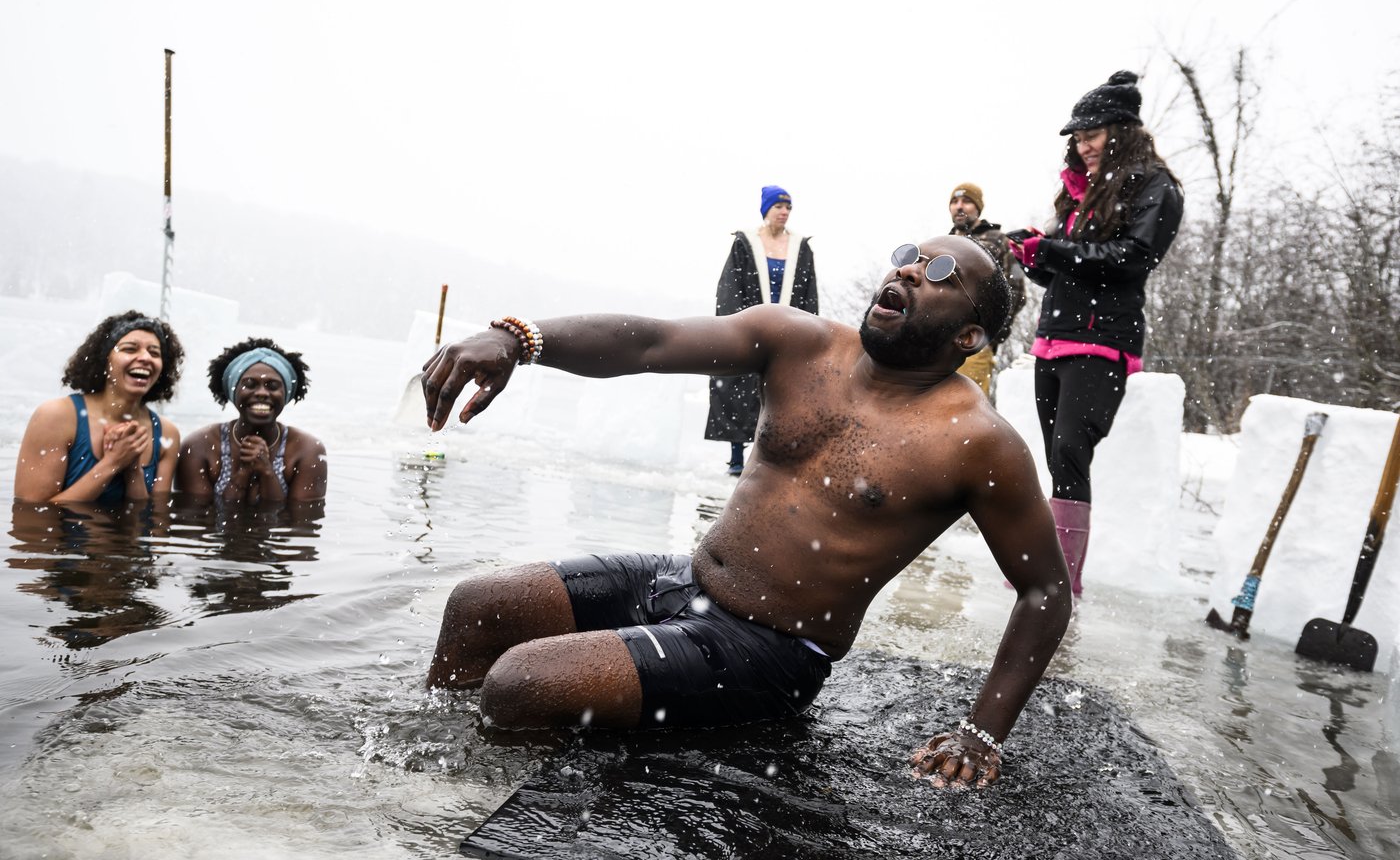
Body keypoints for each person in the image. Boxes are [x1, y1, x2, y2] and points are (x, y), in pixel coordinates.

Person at [421, 235, 1073, 788]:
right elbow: (649, 342)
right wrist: (518, 338)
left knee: (521, 682)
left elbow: (1045, 589)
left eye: (937, 274)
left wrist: (981, 732)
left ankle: (502, 816)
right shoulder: (801, 342)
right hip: (682, 581)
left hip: (769, 649)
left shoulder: (976, 440)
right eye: (908, 254)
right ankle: (425, 775)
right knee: (479, 605)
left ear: (969, 333)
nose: (906, 268)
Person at [1007, 71, 1184, 599]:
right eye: (1077, 137)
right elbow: (1066, 269)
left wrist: (1054, 251)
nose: (1082, 145)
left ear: (1123, 131)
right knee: (1055, 460)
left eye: (1093, 134)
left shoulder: (1158, 187)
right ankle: (1052, 577)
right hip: (1053, 339)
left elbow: (1132, 259)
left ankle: (1063, 585)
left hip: (1104, 342)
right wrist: (1035, 253)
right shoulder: (1080, 194)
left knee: (1069, 454)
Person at [705, 185, 819, 476]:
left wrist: (809, 328)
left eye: (788, 208)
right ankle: (735, 455)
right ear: (766, 208)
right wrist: (737, 324)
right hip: (751, 327)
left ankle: (766, 454)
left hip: (788, 330)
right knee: (738, 384)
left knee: (779, 390)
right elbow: (730, 287)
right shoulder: (746, 243)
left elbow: (808, 292)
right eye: (779, 206)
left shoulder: (800, 247)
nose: (784, 212)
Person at [14, 310, 184, 505]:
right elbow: (31, 515)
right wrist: (112, 463)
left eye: (154, 353)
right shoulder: (56, 416)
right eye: (130, 349)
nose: (145, 357)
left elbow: (151, 521)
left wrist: (132, 468)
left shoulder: (167, 434)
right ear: (105, 360)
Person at [176, 338, 328, 503]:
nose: (262, 392)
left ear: (286, 394)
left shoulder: (307, 450)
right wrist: (243, 473)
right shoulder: (199, 445)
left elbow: (300, 522)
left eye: (272, 386)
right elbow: (194, 519)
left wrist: (266, 472)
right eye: (249, 384)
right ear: (233, 392)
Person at [947, 182, 1026, 395]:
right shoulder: (943, 244)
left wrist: (988, 335)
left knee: (965, 410)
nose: (959, 206)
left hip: (973, 345)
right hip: (938, 342)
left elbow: (1016, 291)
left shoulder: (998, 240)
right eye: (954, 202)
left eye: (966, 201)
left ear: (978, 207)